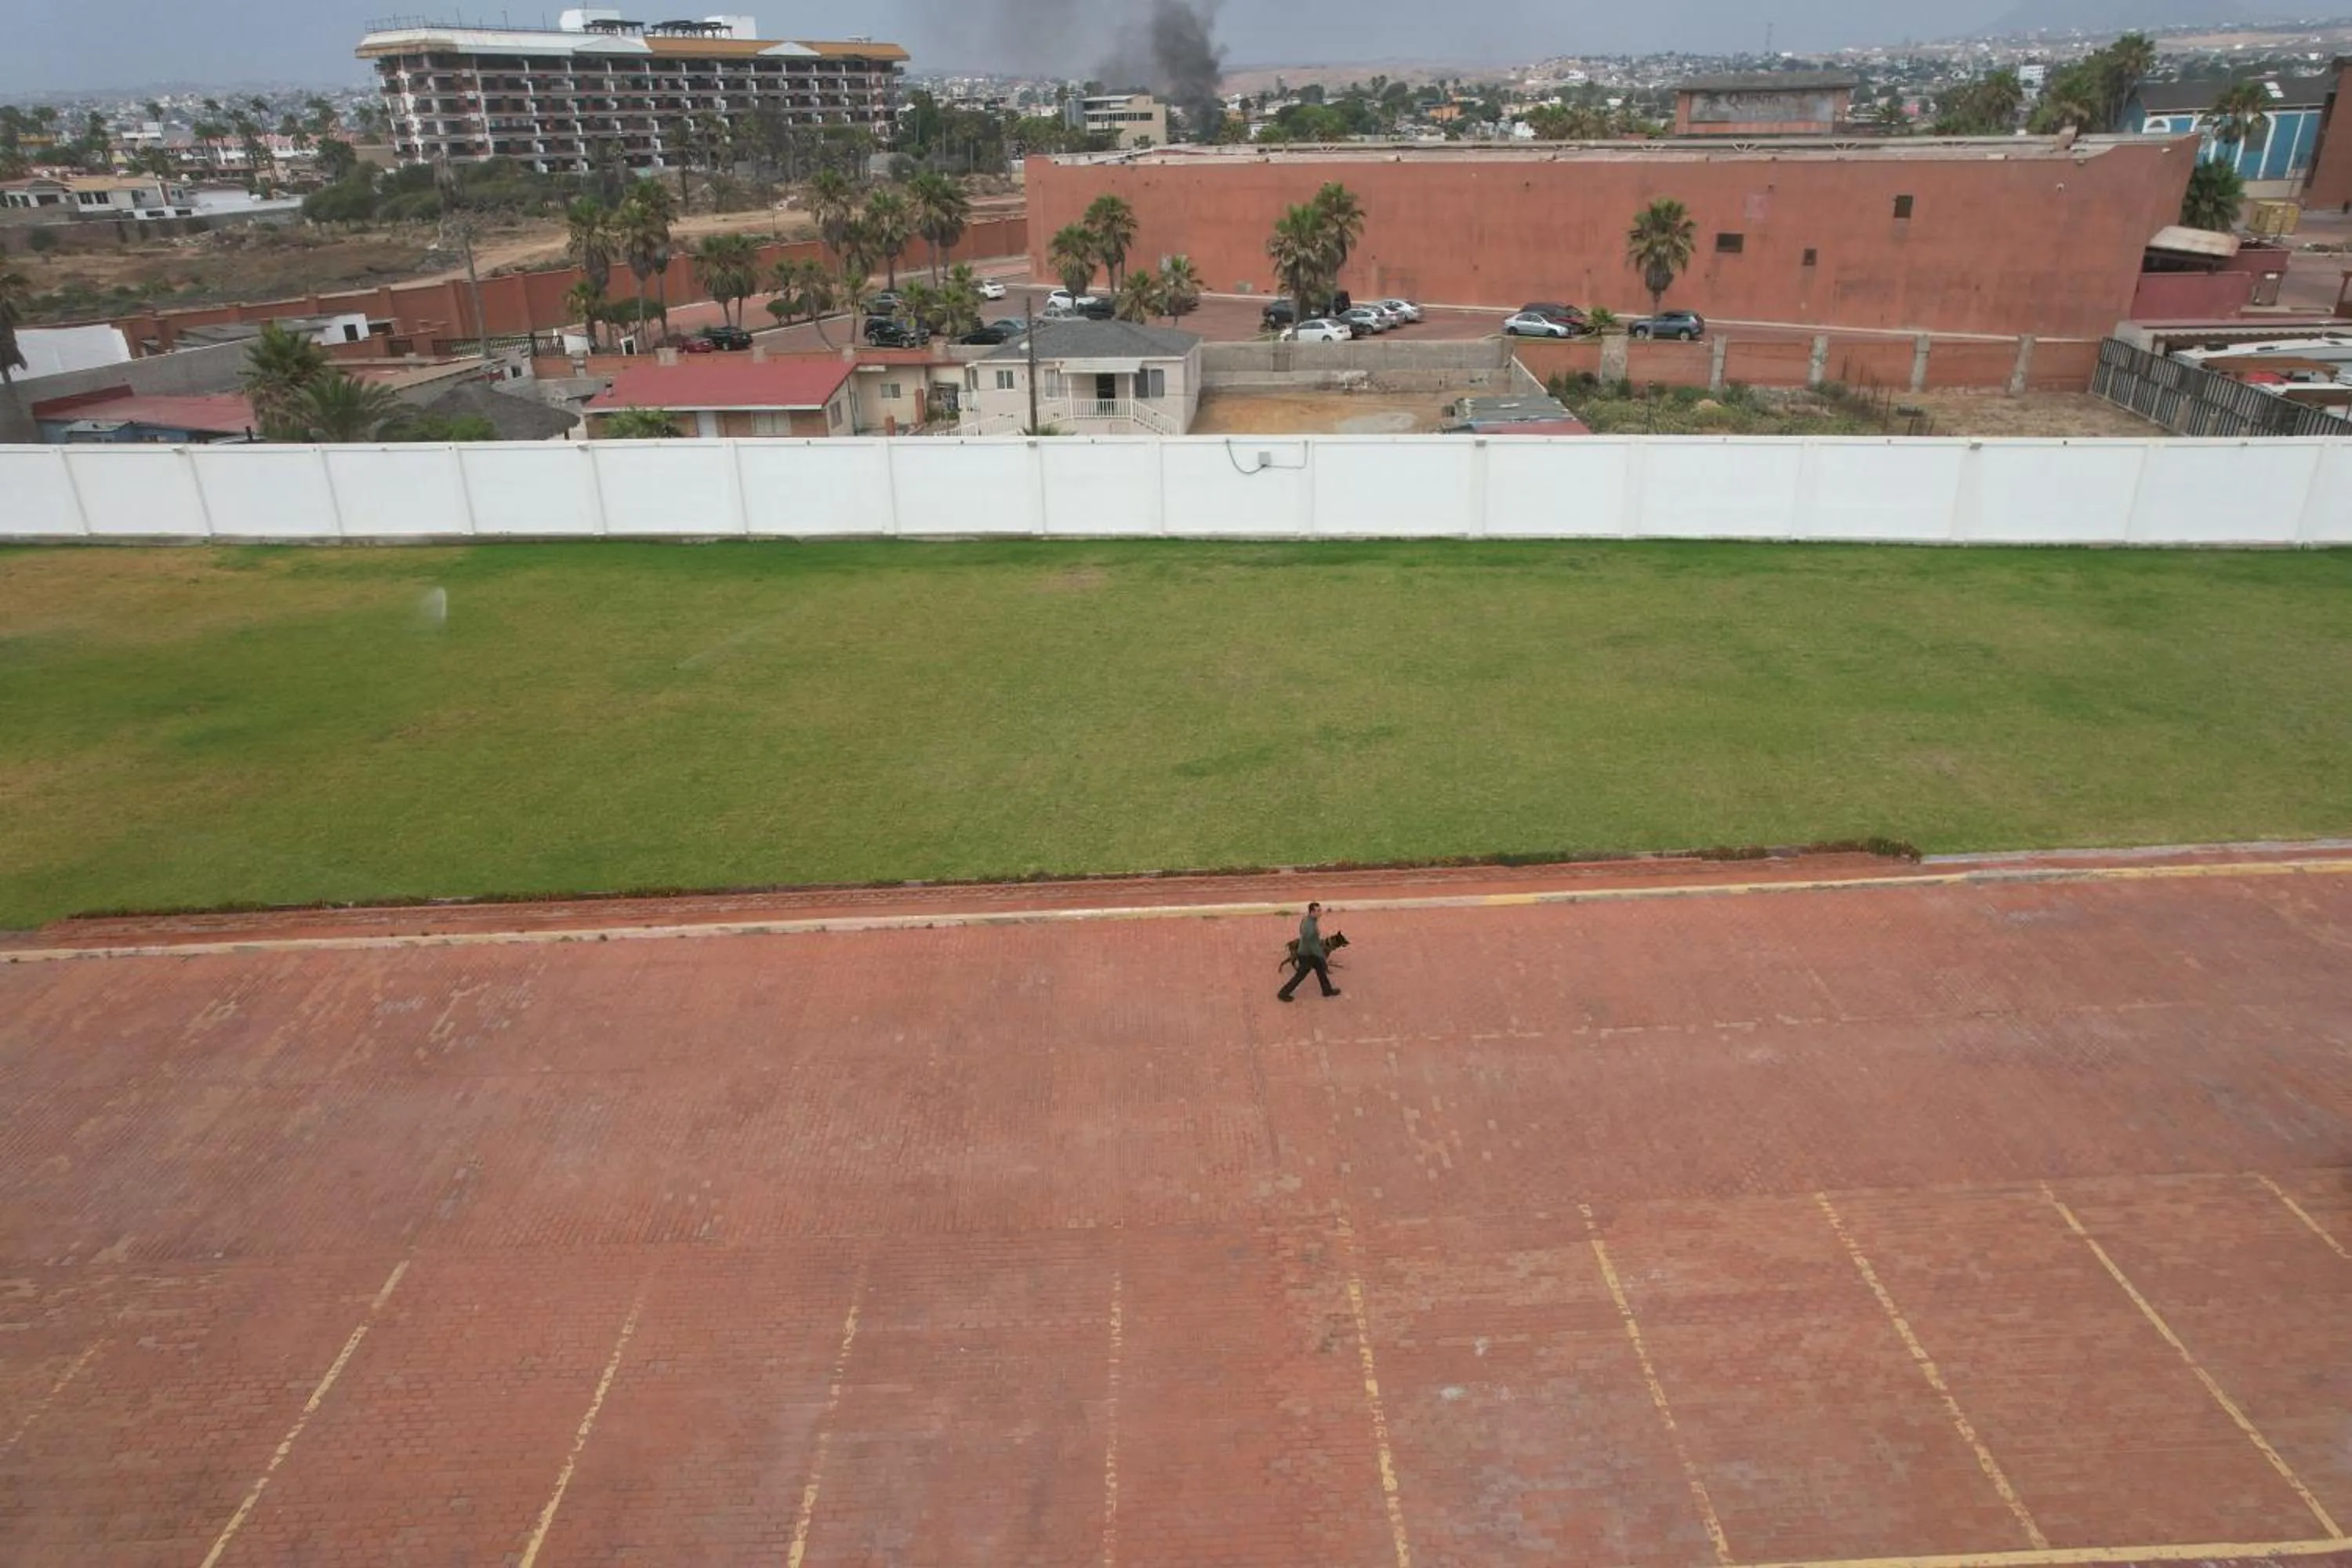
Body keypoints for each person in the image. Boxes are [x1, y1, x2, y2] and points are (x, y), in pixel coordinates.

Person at [1279, 901, 1341, 1002]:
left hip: (1308, 952)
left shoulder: (1306, 919)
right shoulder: (1311, 929)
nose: (1320, 912)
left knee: (1321, 971)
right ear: (1312, 912)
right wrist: (1322, 957)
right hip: (1307, 955)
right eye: (1318, 911)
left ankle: (1327, 990)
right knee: (1300, 976)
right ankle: (1283, 993)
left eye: (1320, 910)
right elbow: (1314, 946)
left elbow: (1302, 931)